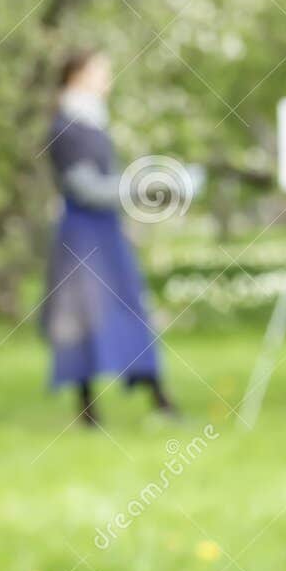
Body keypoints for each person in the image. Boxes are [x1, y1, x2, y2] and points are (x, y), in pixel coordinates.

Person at [40, 50, 179, 427]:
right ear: (79, 75)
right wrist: (142, 188)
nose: (108, 80)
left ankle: (158, 399)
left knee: (130, 312)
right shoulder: (67, 128)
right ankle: (89, 410)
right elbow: (86, 189)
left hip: (105, 229)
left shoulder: (92, 123)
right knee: (82, 317)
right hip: (83, 234)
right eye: (102, 72)